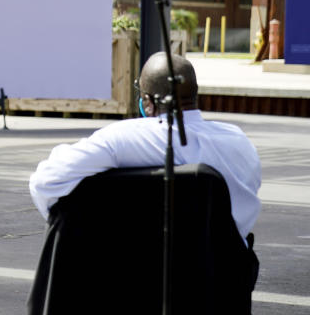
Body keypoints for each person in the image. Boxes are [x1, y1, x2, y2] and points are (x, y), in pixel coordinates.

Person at [29, 52, 261, 243]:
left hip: (147, 277)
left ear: (147, 103)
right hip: (223, 280)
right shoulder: (241, 143)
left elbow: (45, 182)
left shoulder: (126, 139)